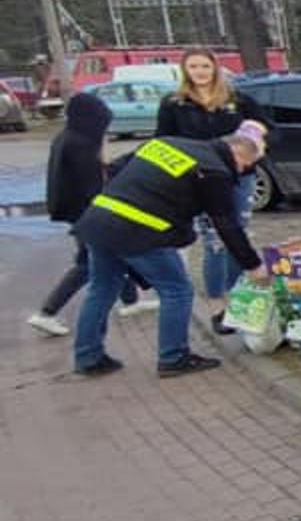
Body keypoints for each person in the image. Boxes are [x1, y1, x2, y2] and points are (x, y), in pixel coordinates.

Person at [69, 125, 270, 377]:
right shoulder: (215, 171)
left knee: (101, 289)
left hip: (99, 220)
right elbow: (226, 224)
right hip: (141, 231)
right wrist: (253, 265)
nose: (241, 172)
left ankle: (88, 357)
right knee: (177, 290)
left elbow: (115, 168)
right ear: (238, 155)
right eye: (245, 167)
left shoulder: (166, 143)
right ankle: (173, 357)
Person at [156, 48, 269, 332]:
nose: (200, 72)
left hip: (239, 175)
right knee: (214, 241)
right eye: (193, 66)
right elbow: (163, 141)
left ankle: (237, 294)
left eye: (205, 66)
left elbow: (268, 130)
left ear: (215, 68)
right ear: (185, 70)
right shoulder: (174, 104)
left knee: (237, 234)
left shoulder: (238, 100)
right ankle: (218, 305)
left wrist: (257, 142)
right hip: (200, 178)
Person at [28, 92, 157, 336]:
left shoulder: (65, 137)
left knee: (112, 255)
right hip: (86, 212)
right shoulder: (82, 144)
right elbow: (93, 184)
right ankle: (47, 312)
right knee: (88, 263)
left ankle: (131, 301)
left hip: (71, 208)